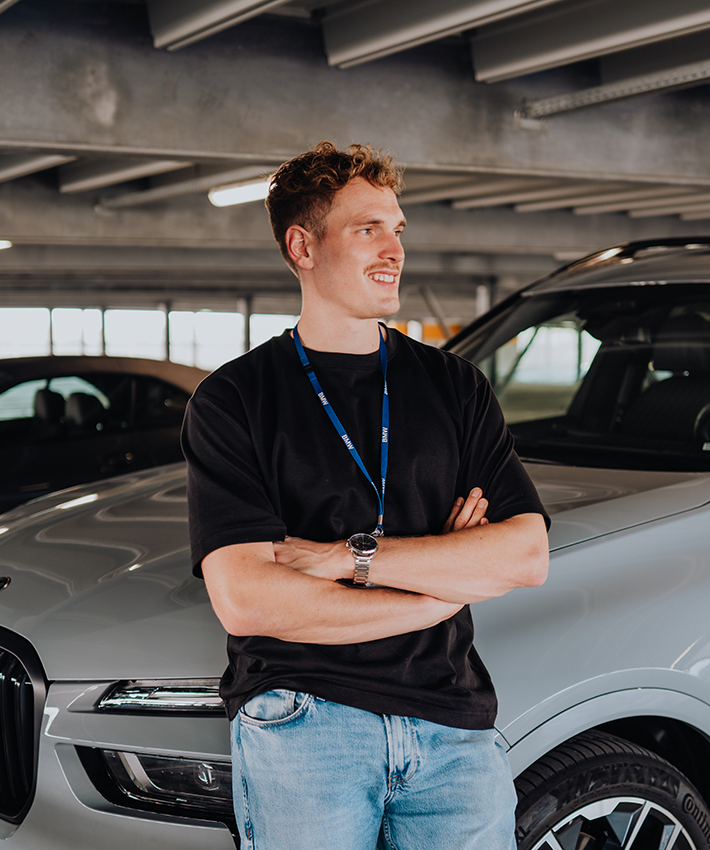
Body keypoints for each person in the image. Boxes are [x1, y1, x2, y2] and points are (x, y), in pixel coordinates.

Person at [181, 140, 551, 850]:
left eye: (398, 229)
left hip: (452, 724)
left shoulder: (454, 386)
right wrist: (441, 588)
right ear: (303, 247)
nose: (394, 250)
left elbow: (526, 555)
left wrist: (346, 559)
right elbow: (249, 601)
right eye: (368, 229)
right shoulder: (234, 400)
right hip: (305, 718)